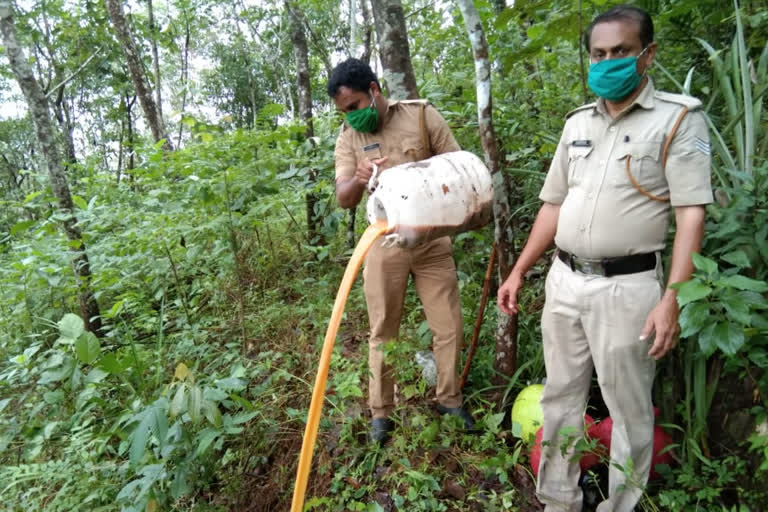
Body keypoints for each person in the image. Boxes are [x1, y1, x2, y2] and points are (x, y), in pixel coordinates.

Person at [498, 5, 712, 511]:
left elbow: (691, 217)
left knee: (630, 408)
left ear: (648, 55)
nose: (608, 61)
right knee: (559, 397)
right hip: (564, 281)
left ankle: (621, 505)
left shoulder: (678, 118)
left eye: (620, 52)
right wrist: (520, 267)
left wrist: (673, 299)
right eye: (599, 53)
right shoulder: (578, 123)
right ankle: (558, 500)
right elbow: (554, 204)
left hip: (629, 288)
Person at [328, 58, 474, 444]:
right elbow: (343, 198)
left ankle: (450, 399)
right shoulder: (348, 138)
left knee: (448, 326)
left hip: (431, 240)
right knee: (383, 330)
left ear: (374, 90)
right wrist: (358, 180)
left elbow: (457, 166)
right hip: (383, 242)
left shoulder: (420, 116)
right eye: (344, 112)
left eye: (355, 106)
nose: (351, 117)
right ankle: (381, 414)